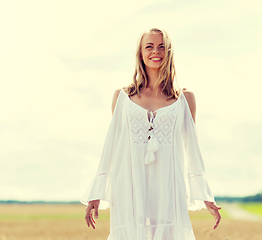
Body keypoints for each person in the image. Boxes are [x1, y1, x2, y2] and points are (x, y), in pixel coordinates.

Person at [80, 28, 221, 240]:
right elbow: (112, 144)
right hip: (129, 183)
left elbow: (192, 148)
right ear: (140, 53)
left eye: (162, 46)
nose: (156, 51)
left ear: (169, 52)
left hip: (168, 184)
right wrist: (97, 193)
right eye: (149, 46)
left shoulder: (185, 98)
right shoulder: (122, 98)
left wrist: (205, 195)